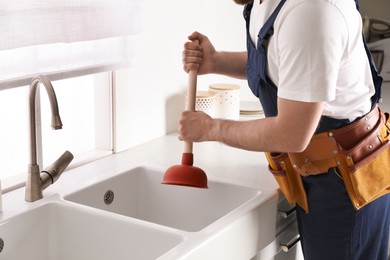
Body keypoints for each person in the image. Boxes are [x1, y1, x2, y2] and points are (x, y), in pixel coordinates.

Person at [178, 0, 390, 259]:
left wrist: (210, 129)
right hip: (316, 173)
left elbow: (292, 133)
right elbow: (285, 60)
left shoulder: (311, 10)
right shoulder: (265, 4)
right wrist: (216, 61)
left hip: (346, 184)